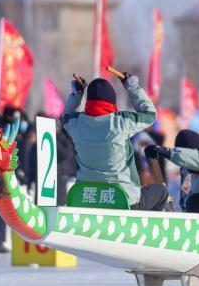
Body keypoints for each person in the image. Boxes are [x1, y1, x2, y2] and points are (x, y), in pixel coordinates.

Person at [63, 72, 167, 211]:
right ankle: (145, 230)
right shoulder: (120, 122)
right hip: (123, 200)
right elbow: (150, 115)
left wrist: (77, 95)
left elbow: (66, 117)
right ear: (112, 102)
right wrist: (133, 88)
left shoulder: (77, 124)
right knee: (161, 192)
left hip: (86, 197)